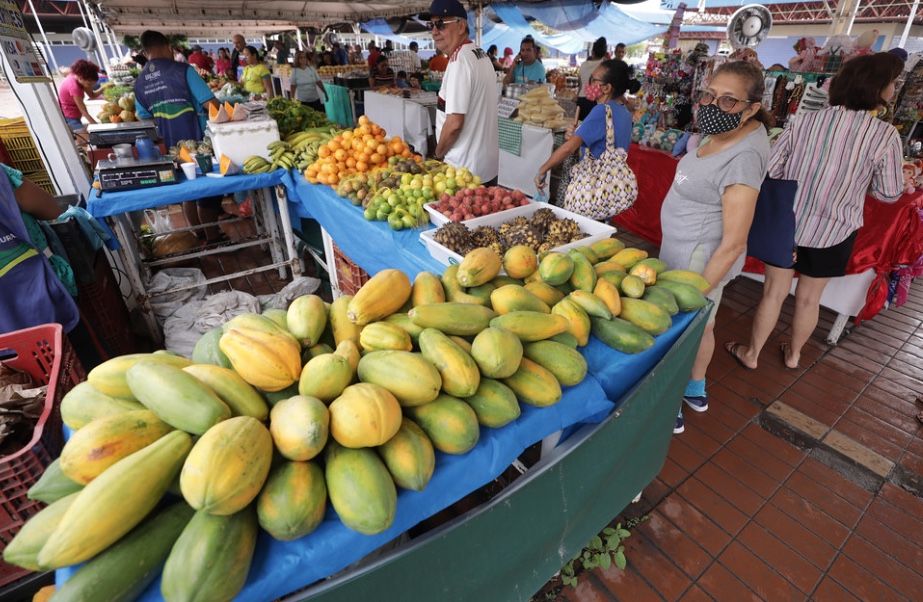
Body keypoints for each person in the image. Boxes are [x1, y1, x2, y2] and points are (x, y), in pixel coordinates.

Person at [725, 53, 904, 373]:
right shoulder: (885, 135)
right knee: (809, 300)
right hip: (836, 230)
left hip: (788, 224)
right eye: (892, 83)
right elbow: (889, 194)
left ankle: (751, 354)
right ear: (878, 88)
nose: (894, 88)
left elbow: (772, 168)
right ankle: (793, 355)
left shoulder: (806, 120)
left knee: (773, 293)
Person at [658, 61, 773, 435]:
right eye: (709, 95)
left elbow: (735, 242)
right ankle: (694, 388)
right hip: (683, 248)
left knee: (681, 330)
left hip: (699, 258)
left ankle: (670, 402)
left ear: (752, 108)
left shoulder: (745, 157)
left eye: (728, 101)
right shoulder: (724, 132)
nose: (712, 105)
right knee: (701, 328)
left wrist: (696, 292)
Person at [134, 30, 224, 244]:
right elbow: (211, 105)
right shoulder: (183, 70)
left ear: (146, 53)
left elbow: (146, 120)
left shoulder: (139, 83)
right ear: (168, 47)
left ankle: (199, 232)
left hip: (170, 146)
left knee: (188, 189)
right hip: (199, 141)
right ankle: (213, 237)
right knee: (208, 191)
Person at [0, 163, 79, 335]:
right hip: (42, 300)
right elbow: (51, 209)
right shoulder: (2, 176)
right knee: (76, 358)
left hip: (6, 334)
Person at [535, 59, 636, 194]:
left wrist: (542, 170)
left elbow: (568, 149)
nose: (588, 84)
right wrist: (577, 134)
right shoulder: (625, 113)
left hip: (590, 191)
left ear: (606, 88)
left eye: (593, 80)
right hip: (610, 189)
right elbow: (603, 144)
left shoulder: (602, 111)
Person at [429, 0, 499, 186]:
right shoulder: (481, 55)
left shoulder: (459, 61)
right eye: (432, 25)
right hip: (486, 168)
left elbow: (454, 124)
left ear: (461, 26)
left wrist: (437, 155)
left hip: (464, 174)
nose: (435, 31)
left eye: (441, 24)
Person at [58, 58, 102, 141]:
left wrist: (103, 88)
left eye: (92, 85)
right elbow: (84, 112)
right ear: (81, 78)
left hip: (75, 115)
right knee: (88, 142)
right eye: (89, 84)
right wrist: (98, 127)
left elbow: (92, 95)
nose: (90, 87)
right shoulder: (74, 88)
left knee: (81, 142)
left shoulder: (77, 76)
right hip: (68, 116)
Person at [577, 37, 607, 121]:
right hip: (596, 101)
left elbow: (580, 83)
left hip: (582, 99)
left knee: (580, 128)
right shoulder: (604, 65)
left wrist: (577, 95)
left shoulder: (583, 65)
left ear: (592, 52)